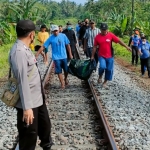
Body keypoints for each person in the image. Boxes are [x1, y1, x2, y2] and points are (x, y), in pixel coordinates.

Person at [9, 20, 52, 150]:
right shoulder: (19, 52)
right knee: (29, 135)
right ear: (32, 35)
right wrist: (27, 108)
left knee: (45, 129)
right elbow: (22, 80)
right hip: (29, 104)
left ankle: (47, 146)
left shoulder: (25, 49)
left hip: (38, 100)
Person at [91, 23, 131, 88]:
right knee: (102, 67)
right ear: (100, 30)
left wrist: (127, 47)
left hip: (110, 56)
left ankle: (105, 82)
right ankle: (100, 76)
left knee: (109, 69)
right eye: (102, 30)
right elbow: (95, 47)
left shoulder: (110, 35)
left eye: (105, 30)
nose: (103, 31)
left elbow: (119, 41)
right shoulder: (97, 37)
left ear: (107, 29)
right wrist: (92, 56)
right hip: (101, 55)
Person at [35, 25, 73, 89]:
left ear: (58, 30)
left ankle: (65, 79)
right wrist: (37, 54)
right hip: (56, 57)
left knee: (66, 70)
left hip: (64, 56)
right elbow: (43, 46)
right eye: (54, 31)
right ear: (52, 31)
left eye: (56, 31)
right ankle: (62, 83)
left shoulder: (63, 36)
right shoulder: (51, 38)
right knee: (59, 71)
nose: (56, 32)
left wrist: (70, 54)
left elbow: (68, 45)